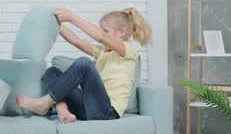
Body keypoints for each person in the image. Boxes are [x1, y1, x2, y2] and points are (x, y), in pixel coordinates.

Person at [16, 7, 151, 124]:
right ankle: (63, 112)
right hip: (88, 109)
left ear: (121, 33)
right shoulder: (103, 52)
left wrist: (72, 17)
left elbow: (101, 37)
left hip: (107, 112)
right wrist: (55, 23)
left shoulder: (128, 51)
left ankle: (45, 102)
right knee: (52, 72)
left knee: (83, 63)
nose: (103, 33)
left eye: (106, 31)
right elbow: (76, 41)